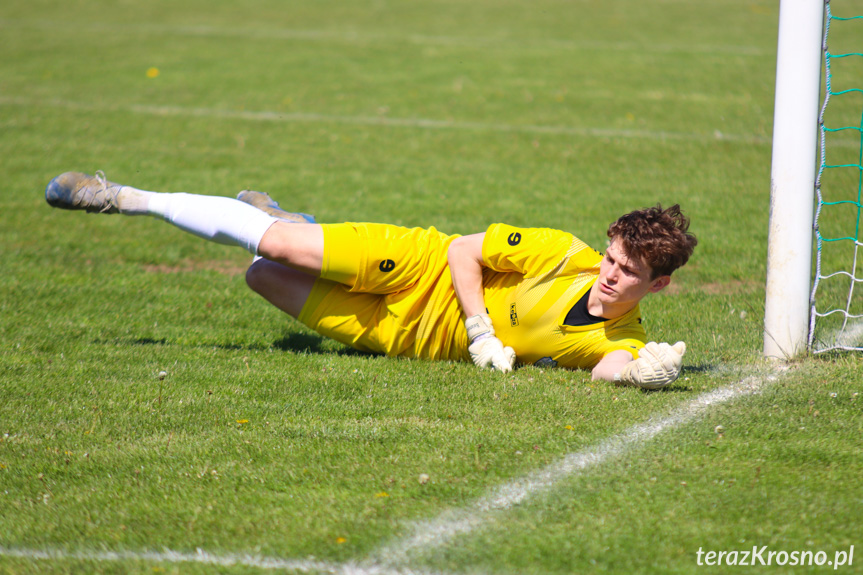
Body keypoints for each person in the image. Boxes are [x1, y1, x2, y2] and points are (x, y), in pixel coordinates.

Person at [45, 171, 697, 389]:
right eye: (611, 259)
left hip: (405, 335)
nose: (609, 276)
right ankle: (125, 195)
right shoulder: (562, 252)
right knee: (276, 246)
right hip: (421, 264)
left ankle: (290, 219)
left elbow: (607, 365)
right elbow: (465, 252)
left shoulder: (627, 334)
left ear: (658, 285)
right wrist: (477, 328)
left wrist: (645, 373)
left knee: (261, 274)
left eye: (628, 273)